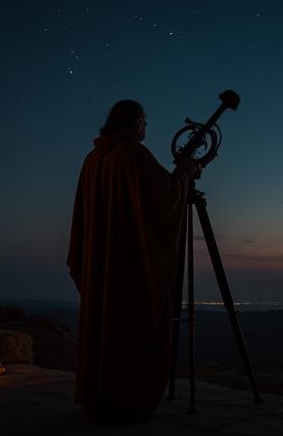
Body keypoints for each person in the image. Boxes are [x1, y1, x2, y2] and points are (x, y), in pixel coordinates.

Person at [67, 99, 201, 423]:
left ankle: (101, 399)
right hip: (127, 267)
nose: (146, 127)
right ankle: (129, 402)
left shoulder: (92, 159)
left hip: (104, 267)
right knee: (132, 331)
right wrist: (187, 171)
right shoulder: (132, 154)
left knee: (107, 330)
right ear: (135, 122)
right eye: (144, 120)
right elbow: (163, 196)